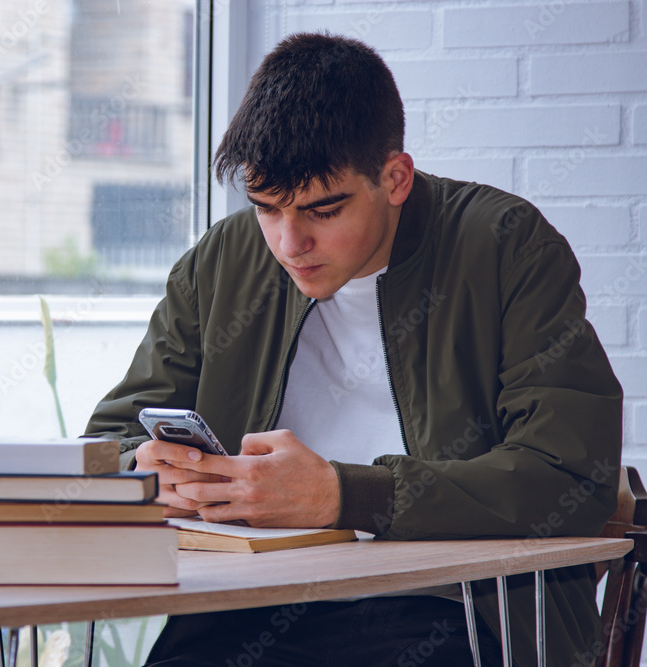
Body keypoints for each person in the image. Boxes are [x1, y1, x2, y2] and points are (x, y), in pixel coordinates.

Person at [84, 32, 623, 667]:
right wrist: (151, 476)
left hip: (450, 608)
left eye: (322, 210)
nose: (289, 243)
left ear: (395, 178)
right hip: (247, 602)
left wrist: (346, 494)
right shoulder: (224, 261)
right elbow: (111, 442)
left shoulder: (507, 248)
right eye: (266, 208)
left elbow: (570, 478)